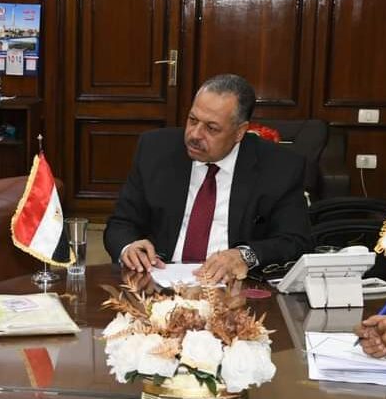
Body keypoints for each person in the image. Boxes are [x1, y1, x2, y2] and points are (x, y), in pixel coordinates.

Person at [104, 74, 313, 284]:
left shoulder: (279, 167)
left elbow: (295, 241)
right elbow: (121, 223)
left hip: (235, 288)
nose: (195, 134)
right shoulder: (155, 150)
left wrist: (244, 256)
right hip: (159, 283)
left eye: (211, 128)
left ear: (240, 132)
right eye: (192, 120)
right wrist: (128, 247)